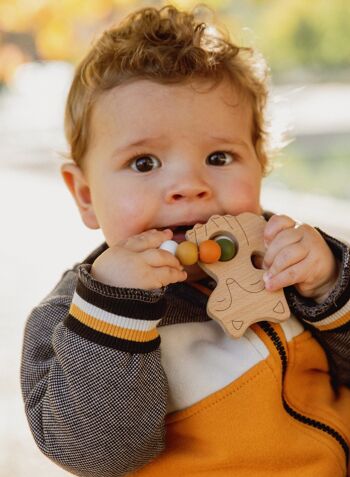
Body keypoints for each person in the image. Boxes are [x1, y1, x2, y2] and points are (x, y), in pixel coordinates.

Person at [20, 5, 350, 477]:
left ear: (262, 164)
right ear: (87, 196)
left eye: (219, 156)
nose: (189, 185)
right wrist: (118, 313)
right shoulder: (74, 318)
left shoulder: (290, 260)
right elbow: (96, 455)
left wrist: (332, 286)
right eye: (144, 164)